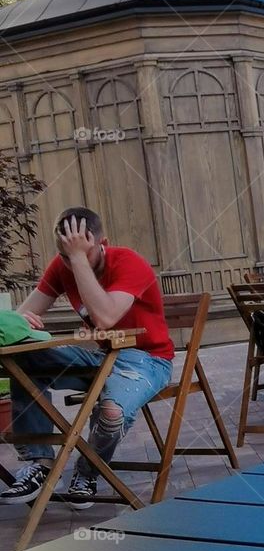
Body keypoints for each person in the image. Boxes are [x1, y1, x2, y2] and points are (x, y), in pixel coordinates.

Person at [1, 207, 174, 507]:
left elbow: (105, 317)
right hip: (100, 358)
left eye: (79, 253)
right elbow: (20, 321)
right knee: (25, 361)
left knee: (110, 411)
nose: (69, 263)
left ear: (102, 242)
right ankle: (38, 465)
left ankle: (87, 471)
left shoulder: (129, 262)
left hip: (148, 360)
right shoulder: (62, 266)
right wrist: (22, 323)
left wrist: (79, 260)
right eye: (65, 255)